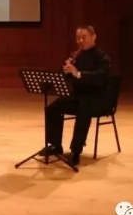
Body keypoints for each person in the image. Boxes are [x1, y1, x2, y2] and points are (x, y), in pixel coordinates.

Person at [42, 25, 112, 165]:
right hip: (78, 96)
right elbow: (65, 76)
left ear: (93, 37)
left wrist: (78, 73)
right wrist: (65, 70)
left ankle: (75, 151)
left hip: (96, 98)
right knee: (52, 108)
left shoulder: (101, 57)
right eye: (78, 38)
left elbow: (100, 78)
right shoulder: (76, 55)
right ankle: (55, 145)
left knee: (83, 110)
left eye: (84, 37)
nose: (80, 41)